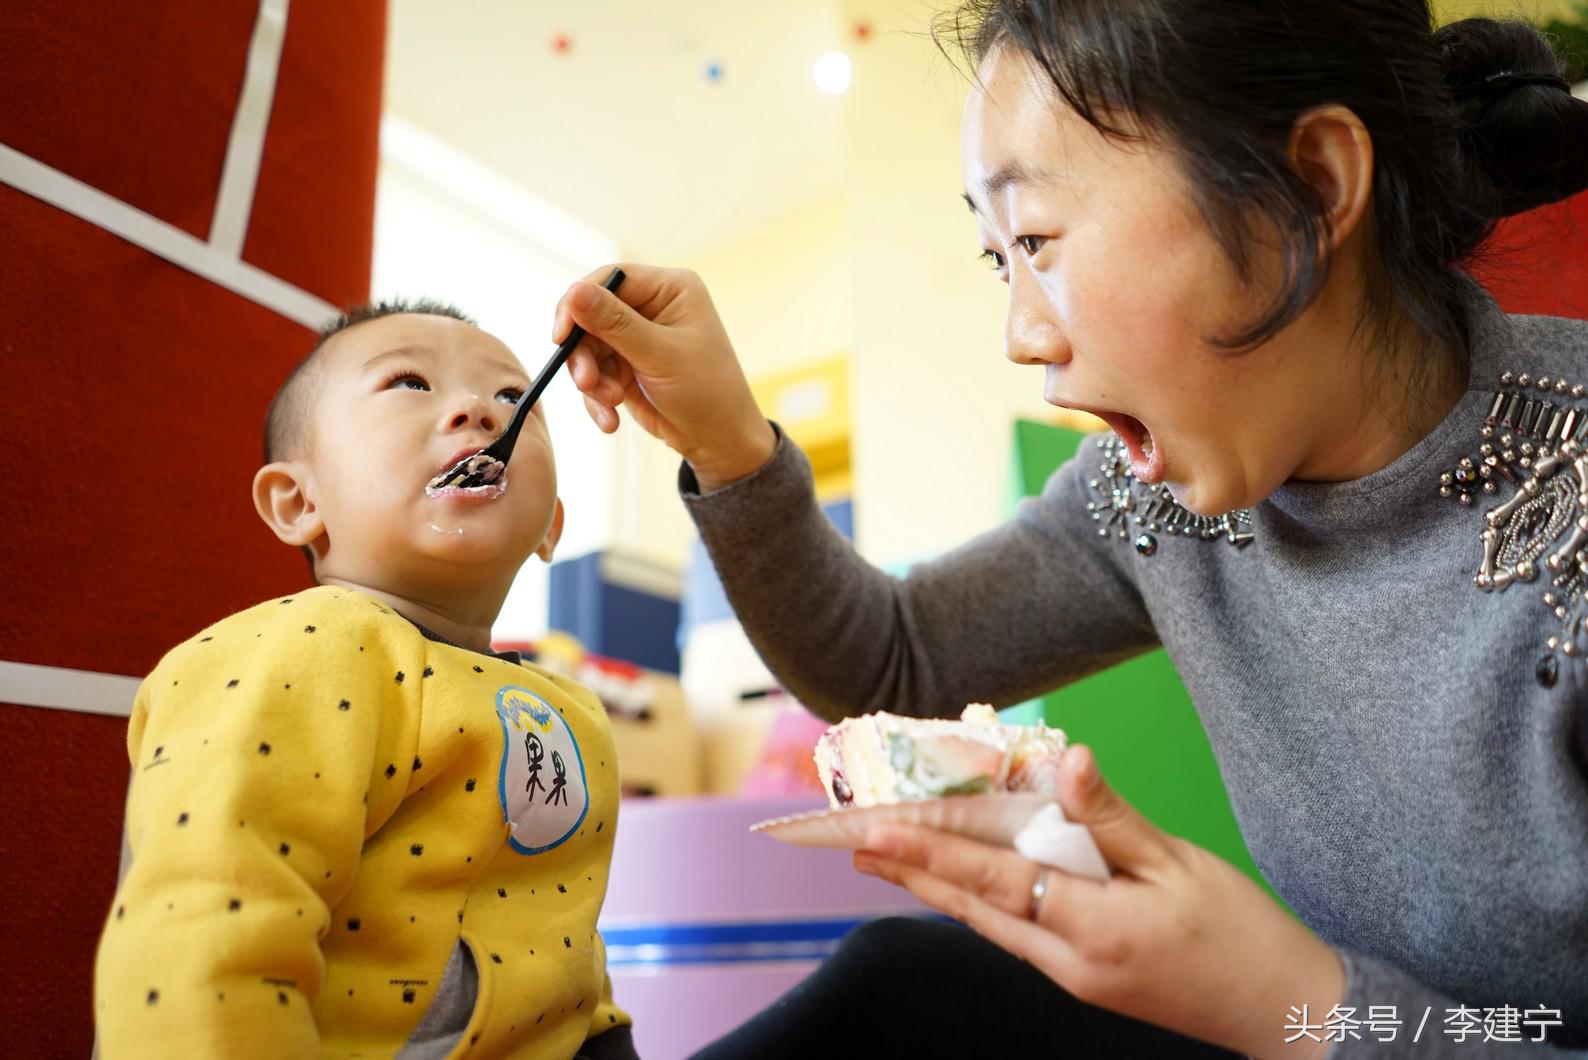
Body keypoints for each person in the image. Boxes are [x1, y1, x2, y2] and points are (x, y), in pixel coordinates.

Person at [548, 1, 1588, 1055]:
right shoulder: (1150, 500)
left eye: (1037, 237)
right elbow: (894, 658)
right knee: (911, 983)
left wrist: (1280, 994)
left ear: (1310, 187)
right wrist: (729, 445)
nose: (1021, 334)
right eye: (1000, 260)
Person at [94, 302, 638, 1059]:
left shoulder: (567, 707)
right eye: (408, 382)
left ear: (551, 524)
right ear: (300, 501)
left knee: (871, 965)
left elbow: (568, 953)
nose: (478, 408)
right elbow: (205, 923)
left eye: (516, 399)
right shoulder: (297, 648)